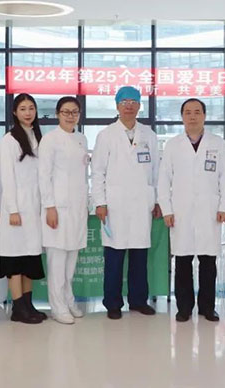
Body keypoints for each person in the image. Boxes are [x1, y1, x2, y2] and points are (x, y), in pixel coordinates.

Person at [158, 98, 225, 322]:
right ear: (182, 117)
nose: (192, 116)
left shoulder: (217, 143)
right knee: (182, 261)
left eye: (197, 112)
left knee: (208, 262)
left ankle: (207, 308)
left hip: (210, 210)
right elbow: (164, 180)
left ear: (204, 116)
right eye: (188, 112)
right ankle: (184, 308)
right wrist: (167, 209)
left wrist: (224, 206)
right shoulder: (173, 145)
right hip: (181, 211)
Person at [91, 86, 160, 319]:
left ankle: (138, 301)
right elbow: (97, 172)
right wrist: (100, 202)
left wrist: (157, 200)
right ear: (117, 106)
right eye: (124, 102)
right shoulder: (106, 135)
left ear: (139, 106)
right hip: (115, 205)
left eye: (133, 102)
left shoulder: (149, 135)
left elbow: (156, 171)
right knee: (114, 257)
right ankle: (112, 303)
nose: (129, 106)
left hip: (141, 203)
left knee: (139, 257)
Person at [39, 97, 89, 325]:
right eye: (66, 112)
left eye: (74, 112)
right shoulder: (50, 140)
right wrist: (49, 206)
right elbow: (44, 176)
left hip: (77, 208)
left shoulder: (81, 139)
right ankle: (57, 307)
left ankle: (69, 301)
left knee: (71, 261)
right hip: (57, 208)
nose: (70, 116)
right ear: (57, 114)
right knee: (57, 262)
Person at [0, 93, 46, 324]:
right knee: (15, 260)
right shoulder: (9, 140)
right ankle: (18, 308)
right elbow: (7, 178)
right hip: (16, 210)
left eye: (31, 108)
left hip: (34, 209)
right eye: (23, 109)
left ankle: (28, 304)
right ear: (15, 113)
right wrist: (13, 209)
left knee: (30, 260)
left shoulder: (38, 136)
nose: (28, 113)